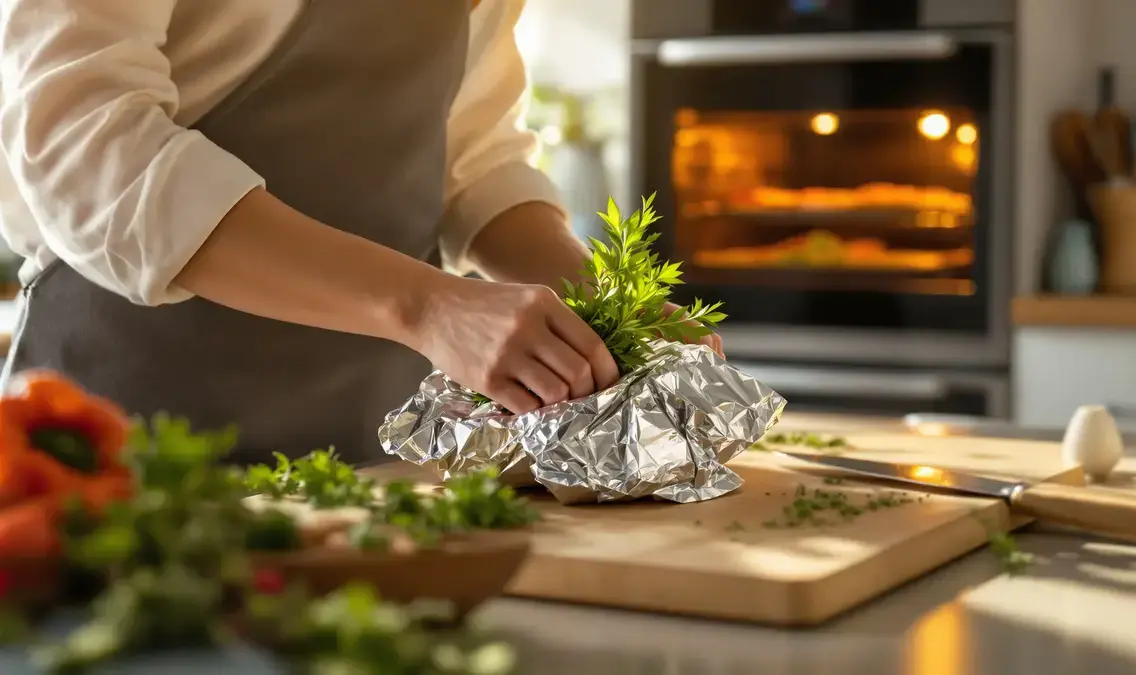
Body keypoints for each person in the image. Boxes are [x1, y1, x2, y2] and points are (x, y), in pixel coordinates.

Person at [0, 0, 721, 464]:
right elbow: (87, 146)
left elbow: (472, 159)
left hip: (374, 462)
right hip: (122, 445)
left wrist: (599, 305)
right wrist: (429, 305)